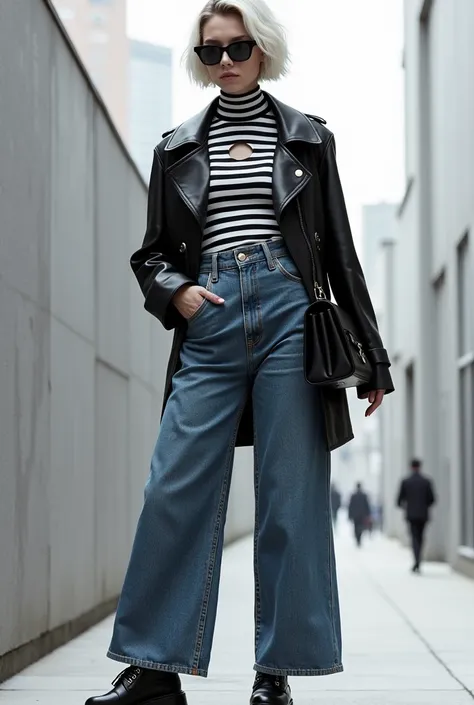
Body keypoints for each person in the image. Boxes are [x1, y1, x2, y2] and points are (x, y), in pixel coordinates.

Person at [86, 1, 394, 703]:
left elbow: (339, 251)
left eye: (237, 47)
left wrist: (372, 357)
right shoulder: (175, 148)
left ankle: (274, 673)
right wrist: (178, 293)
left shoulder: (309, 139)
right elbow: (153, 255)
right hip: (212, 315)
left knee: (290, 495)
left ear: (264, 49)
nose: (224, 62)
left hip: (290, 311)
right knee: (172, 489)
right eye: (210, 52)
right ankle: (156, 670)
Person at [397, 458, 436, 573]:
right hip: (423, 515)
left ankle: (416, 560)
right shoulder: (426, 481)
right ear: (420, 466)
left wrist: (406, 506)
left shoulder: (406, 481)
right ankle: (418, 559)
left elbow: (399, 500)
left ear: (411, 467)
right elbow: (432, 499)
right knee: (420, 537)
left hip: (411, 515)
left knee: (414, 537)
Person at [348, 483, 371, 547]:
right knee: (360, 527)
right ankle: (359, 539)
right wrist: (368, 514)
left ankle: (357, 539)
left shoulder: (353, 495)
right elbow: (367, 506)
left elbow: (350, 506)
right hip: (362, 515)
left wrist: (350, 515)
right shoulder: (364, 495)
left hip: (355, 515)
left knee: (356, 527)